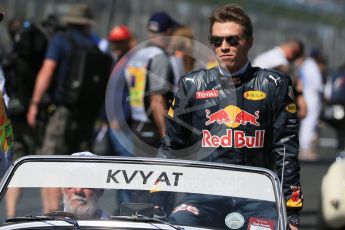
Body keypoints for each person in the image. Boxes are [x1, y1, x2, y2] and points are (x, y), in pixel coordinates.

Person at [157, 4, 302, 229]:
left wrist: (292, 214)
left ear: (249, 41)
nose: (224, 47)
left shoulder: (275, 84)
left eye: (232, 40)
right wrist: (157, 201)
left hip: (258, 198)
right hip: (203, 197)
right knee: (176, 224)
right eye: (217, 41)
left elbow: (285, 151)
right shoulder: (191, 84)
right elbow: (171, 147)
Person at [26, 4, 102, 213]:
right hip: (87, 115)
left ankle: (53, 213)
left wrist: (34, 104)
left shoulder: (61, 41)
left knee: (52, 161)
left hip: (63, 111)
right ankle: (83, 212)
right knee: (81, 166)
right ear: (86, 24)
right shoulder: (94, 44)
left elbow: (48, 70)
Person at [125, 12, 178, 156]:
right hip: (153, 125)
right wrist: (165, 135)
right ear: (168, 31)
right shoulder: (158, 57)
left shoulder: (139, 53)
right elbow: (156, 99)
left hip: (137, 122)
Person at [253, 38, 307, 119]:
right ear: (293, 51)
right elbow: (290, 81)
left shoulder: (268, 56)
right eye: (295, 56)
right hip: (264, 105)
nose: (293, 60)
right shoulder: (280, 61)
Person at [298, 49, 325, 161]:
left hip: (308, 94)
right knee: (310, 121)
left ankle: (306, 147)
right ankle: (305, 148)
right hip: (312, 96)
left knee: (308, 122)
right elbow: (317, 83)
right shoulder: (311, 65)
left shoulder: (306, 65)